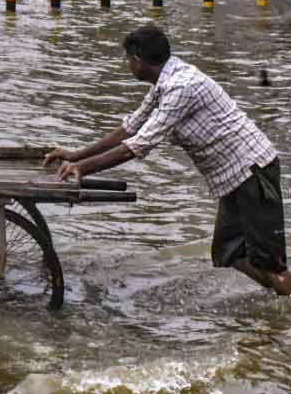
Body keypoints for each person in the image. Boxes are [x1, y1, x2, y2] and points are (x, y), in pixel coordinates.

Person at [44, 25, 290, 296]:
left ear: (137, 60)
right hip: (234, 177)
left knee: (271, 264)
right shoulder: (165, 81)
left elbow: (135, 147)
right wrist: (75, 155)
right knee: (226, 254)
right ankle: (277, 311)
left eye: (127, 59)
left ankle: (282, 301)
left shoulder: (180, 87)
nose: (127, 65)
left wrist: (82, 168)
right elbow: (131, 127)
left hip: (252, 172)